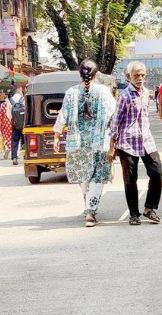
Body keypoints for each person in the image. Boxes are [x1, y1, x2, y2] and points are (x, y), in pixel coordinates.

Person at [53, 60, 116, 228]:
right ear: (96, 75)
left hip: (78, 142)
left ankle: (88, 206)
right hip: (99, 141)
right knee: (97, 175)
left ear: (80, 74)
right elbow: (113, 116)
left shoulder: (71, 92)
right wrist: (114, 141)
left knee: (84, 175)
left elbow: (62, 115)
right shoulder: (104, 91)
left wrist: (57, 137)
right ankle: (90, 210)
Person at [109, 61, 162, 226]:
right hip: (127, 143)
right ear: (129, 77)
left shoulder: (147, 93)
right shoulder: (124, 96)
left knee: (157, 173)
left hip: (146, 140)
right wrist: (112, 148)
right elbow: (115, 122)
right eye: (136, 75)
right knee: (130, 179)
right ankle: (134, 214)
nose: (140, 78)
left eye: (142, 75)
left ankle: (149, 208)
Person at [8, 85, 25, 165]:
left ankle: (14, 157)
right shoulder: (24, 99)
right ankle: (26, 156)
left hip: (15, 124)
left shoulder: (10, 100)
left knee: (15, 141)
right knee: (25, 140)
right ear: (19, 90)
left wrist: (12, 120)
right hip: (24, 123)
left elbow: (8, 114)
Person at [0, 94, 13, 159]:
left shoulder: (2, 105)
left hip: (5, 123)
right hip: (12, 123)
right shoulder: (13, 104)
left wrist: (0, 125)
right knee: (12, 137)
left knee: (6, 137)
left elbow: (0, 115)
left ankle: (7, 148)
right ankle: (12, 150)